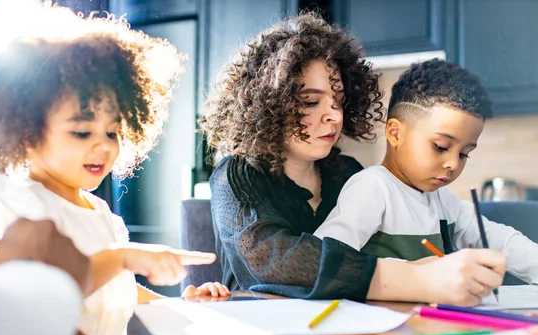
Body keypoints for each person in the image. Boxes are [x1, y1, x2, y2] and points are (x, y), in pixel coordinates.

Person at [201, 12, 507, 306]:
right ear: (267, 105)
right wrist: (416, 277)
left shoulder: (347, 172)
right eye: (310, 102)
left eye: (339, 102)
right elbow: (274, 261)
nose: (334, 115)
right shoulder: (237, 175)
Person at [0, 5, 228, 311]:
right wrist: (123, 256)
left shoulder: (101, 213)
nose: (104, 146)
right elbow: (44, 296)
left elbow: (119, 292)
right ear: (25, 132)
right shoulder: (13, 201)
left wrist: (184, 306)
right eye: (82, 133)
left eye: (112, 133)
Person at [314, 58, 538, 285]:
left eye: (464, 154)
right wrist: (416, 271)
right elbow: (323, 257)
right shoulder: (372, 188)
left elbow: (501, 240)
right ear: (394, 133)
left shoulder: (445, 201)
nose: (453, 164)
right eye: (440, 147)